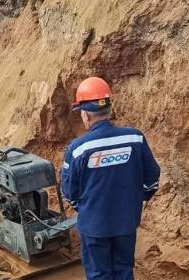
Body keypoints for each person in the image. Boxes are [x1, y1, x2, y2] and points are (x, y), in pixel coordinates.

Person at [60, 77, 160, 280]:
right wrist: (138, 199)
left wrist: (86, 209)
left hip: (94, 226)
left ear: (86, 115)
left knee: (99, 275)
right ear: (109, 109)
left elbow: (69, 191)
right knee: (124, 271)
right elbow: (152, 178)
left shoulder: (78, 149)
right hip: (126, 222)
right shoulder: (135, 138)